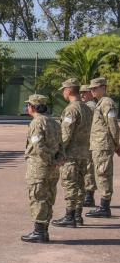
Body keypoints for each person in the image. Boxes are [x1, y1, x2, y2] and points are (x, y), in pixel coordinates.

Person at [21, 94, 64, 243]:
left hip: (40, 167)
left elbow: (38, 146)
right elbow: (61, 145)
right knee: (48, 198)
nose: (27, 108)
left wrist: (50, 161)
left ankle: (39, 232)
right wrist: (58, 160)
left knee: (38, 198)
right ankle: (43, 231)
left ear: (33, 107)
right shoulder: (54, 123)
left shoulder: (37, 123)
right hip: (53, 168)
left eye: (28, 105)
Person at [52, 79, 93, 228]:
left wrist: (57, 152)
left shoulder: (71, 109)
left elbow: (65, 134)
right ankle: (77, 215)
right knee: (80, 184)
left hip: (71, 154)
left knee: (70, 184)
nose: (63, 92)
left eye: (64, 90)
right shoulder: (87, 108)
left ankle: (70, 216)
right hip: (84, 153)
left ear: (68, 91)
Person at [86, 77, 119, 218]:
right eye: (91, 88)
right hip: (98, 145)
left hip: (103, 145)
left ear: (104, 88)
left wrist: (117, 144)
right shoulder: (100, 103)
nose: (92, 91)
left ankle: (104, 207)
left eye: (95, 88)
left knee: (103, 174)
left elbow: (113, 125)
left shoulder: (107, 103)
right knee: (100, 174)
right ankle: (103, 206)